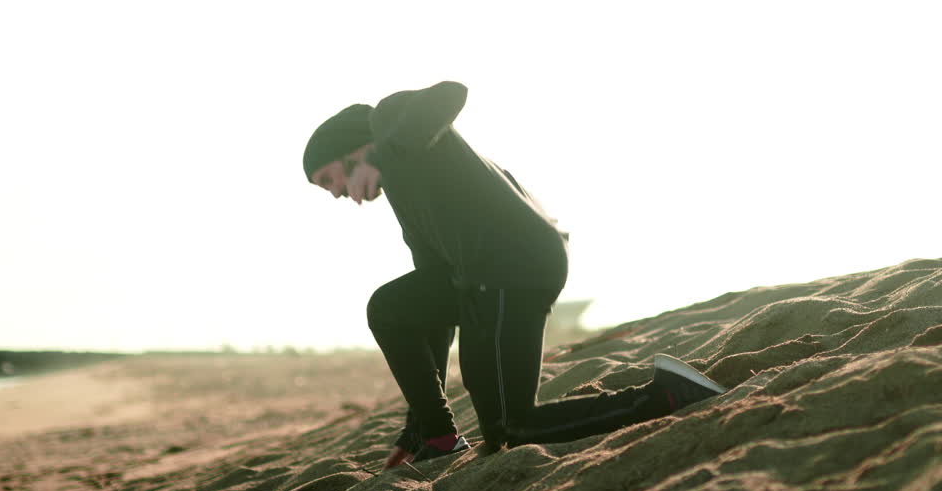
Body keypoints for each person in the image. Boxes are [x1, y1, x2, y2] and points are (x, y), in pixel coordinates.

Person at [302, 80, 727, 467]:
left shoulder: (390, 117)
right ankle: (440, 438)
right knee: (392, 308)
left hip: (514, 270)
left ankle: (667, 394)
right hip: (481, 282)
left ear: (349, 148)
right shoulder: (404, 193)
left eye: (329, 179)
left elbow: (449, 93)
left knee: (515, 426)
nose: (338, 193)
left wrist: (381, 154)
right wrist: (423, 424)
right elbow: (427, 309)